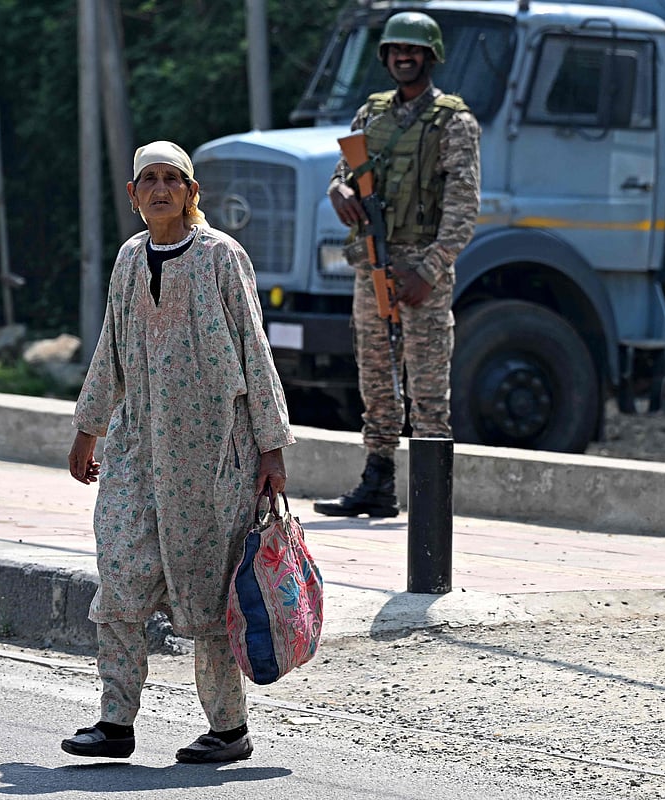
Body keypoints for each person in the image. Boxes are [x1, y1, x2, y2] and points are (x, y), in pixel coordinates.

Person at [62, 141, 294, 764]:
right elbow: (111, 344)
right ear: (133, 197)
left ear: (193, 194)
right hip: (137, 445)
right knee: (119, 574)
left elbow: (254, 347)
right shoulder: (130, 259)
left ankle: (228, 730)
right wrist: (89, 426)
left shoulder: (221, 256)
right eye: (149, 181)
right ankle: (115, 723)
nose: (161, 189)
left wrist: (271, 447)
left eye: (173, 179)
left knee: (210, 594)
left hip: (213, 452)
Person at [314, 11, 480, 518]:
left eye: (413, 51)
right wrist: (339, 191)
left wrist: (427, 271)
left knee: (429, 387)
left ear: (429, 58)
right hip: (373, 266)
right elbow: (344, 173)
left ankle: (431, 500)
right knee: (377, 377)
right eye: (395, 51)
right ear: (386, 57)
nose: (403, 58)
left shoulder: (454, 121)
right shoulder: (370, 114)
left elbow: (464, 207)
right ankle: (377, 482)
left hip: (422, 271)